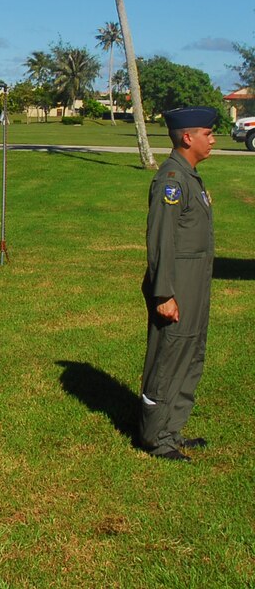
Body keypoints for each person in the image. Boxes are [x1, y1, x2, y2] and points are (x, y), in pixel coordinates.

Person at [139, 106, 218, 462]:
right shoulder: (171, 180)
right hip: (175, 286)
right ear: (188, 138)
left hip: (194, 283)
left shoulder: (189, 177)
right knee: (169, 357)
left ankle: (172, 428)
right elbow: (161, 240)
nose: (213, 138)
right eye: (208, 132)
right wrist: (164, 293)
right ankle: (155, 437)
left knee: (190, 354)